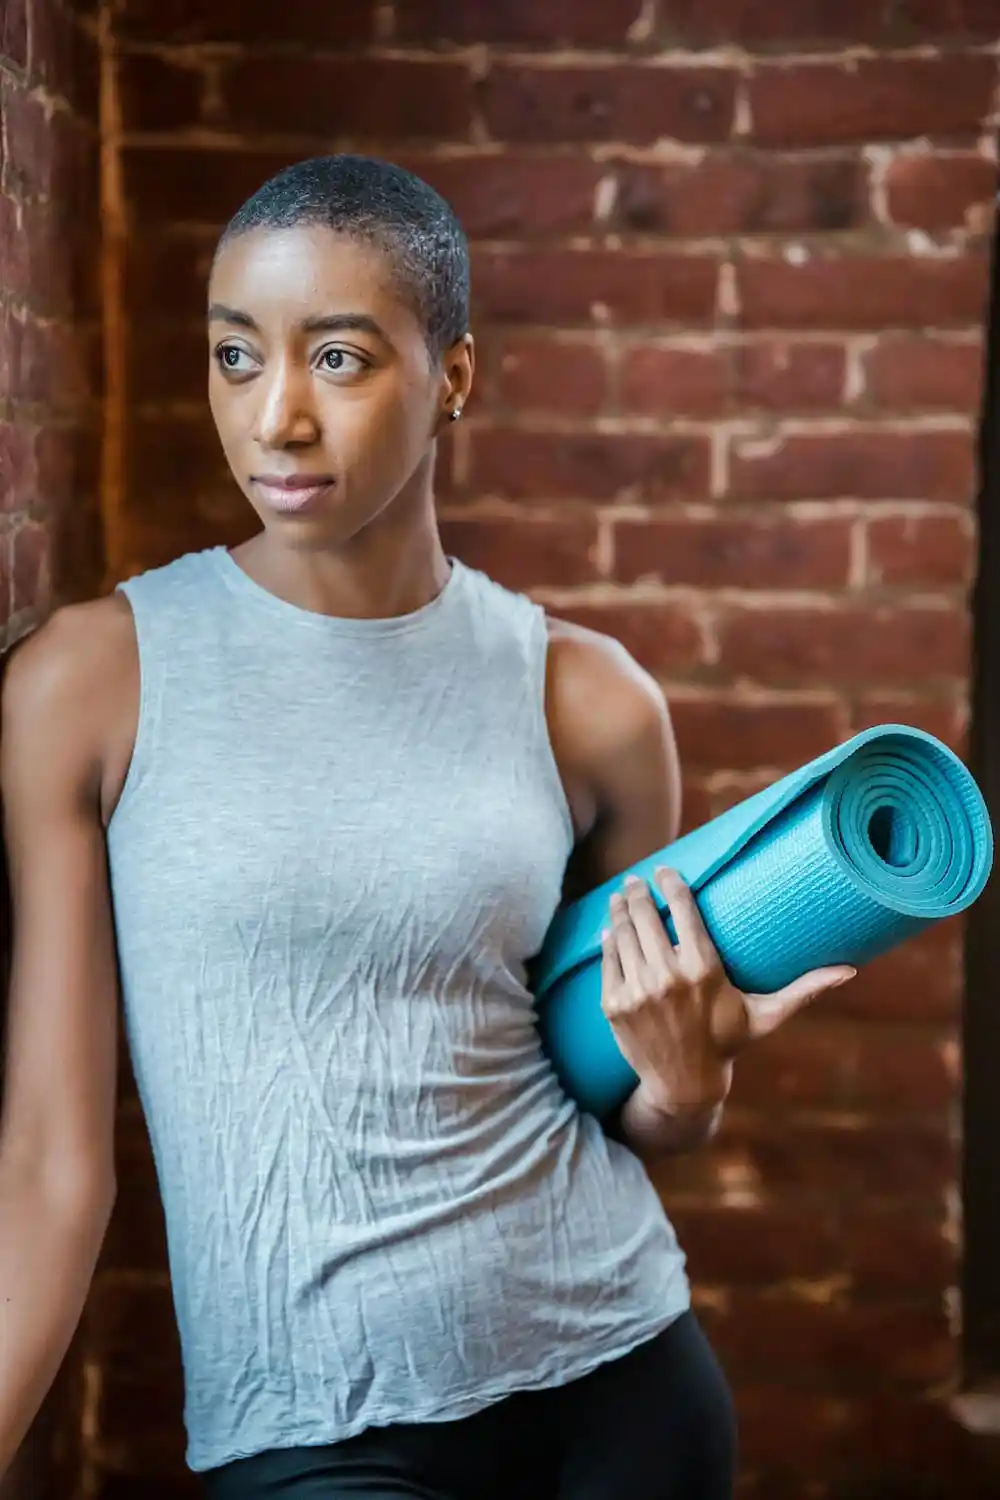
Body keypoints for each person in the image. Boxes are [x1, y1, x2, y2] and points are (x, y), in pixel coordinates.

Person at [0, 155, 855, 1499]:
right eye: (236, 355)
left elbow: (627, 1094)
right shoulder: (94, 681)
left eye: (337, 359)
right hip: (314, 1425)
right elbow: (50, 1158)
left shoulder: (589, 700)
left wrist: (691, 1083)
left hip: (622, 1387)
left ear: (452, 375)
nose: (275, 417)